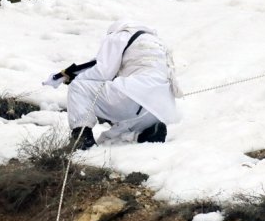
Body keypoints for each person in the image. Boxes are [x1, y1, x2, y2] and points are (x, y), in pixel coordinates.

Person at [44, 20, 182, 149]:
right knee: (109, 139)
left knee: (78, 87)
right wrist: (71, 73)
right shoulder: (157, 44)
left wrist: (76, 79)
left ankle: (82, 138)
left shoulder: (119, 35)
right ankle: (144, 135)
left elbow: (103, 71)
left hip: (135, 96)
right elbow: (98, 63)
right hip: (159, 110)